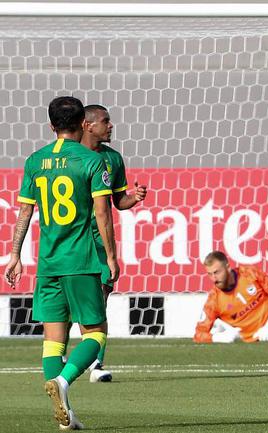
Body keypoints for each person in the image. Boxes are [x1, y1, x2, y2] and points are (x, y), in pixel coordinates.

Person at [4, 96, 119, 430]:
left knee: (53, 341)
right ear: (83, 123)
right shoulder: (92, 161)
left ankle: (65, 416)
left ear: (51, 125)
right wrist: (111, 257)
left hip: (48, 264)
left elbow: (25, 212)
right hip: (81, 261)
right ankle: (64, 381)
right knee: (96, 334)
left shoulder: (35, 161)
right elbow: (102, 213)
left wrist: (14, 255)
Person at [78, 104, 147, 383]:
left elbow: (119, 201)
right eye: (105, 121)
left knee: (101, 297)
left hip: (100, 236)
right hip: (74, 236)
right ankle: (62, 355)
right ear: (87, 125)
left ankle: (95, 363)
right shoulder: (71, 156)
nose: (111, 125)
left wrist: (134, 197)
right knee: (70, 301)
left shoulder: (113, 158)